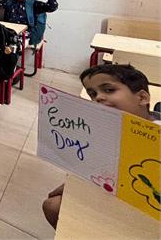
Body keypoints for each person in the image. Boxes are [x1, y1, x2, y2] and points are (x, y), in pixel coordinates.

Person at [42, 64, 160, 229]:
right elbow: (94, 167)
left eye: (109, 90)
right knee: (52, 205)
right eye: (93, 94)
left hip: (148, 208)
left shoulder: (156, 135)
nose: (98, 98)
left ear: (142, 98)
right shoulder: (105, 129)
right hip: (113, 195)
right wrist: (70, 185)